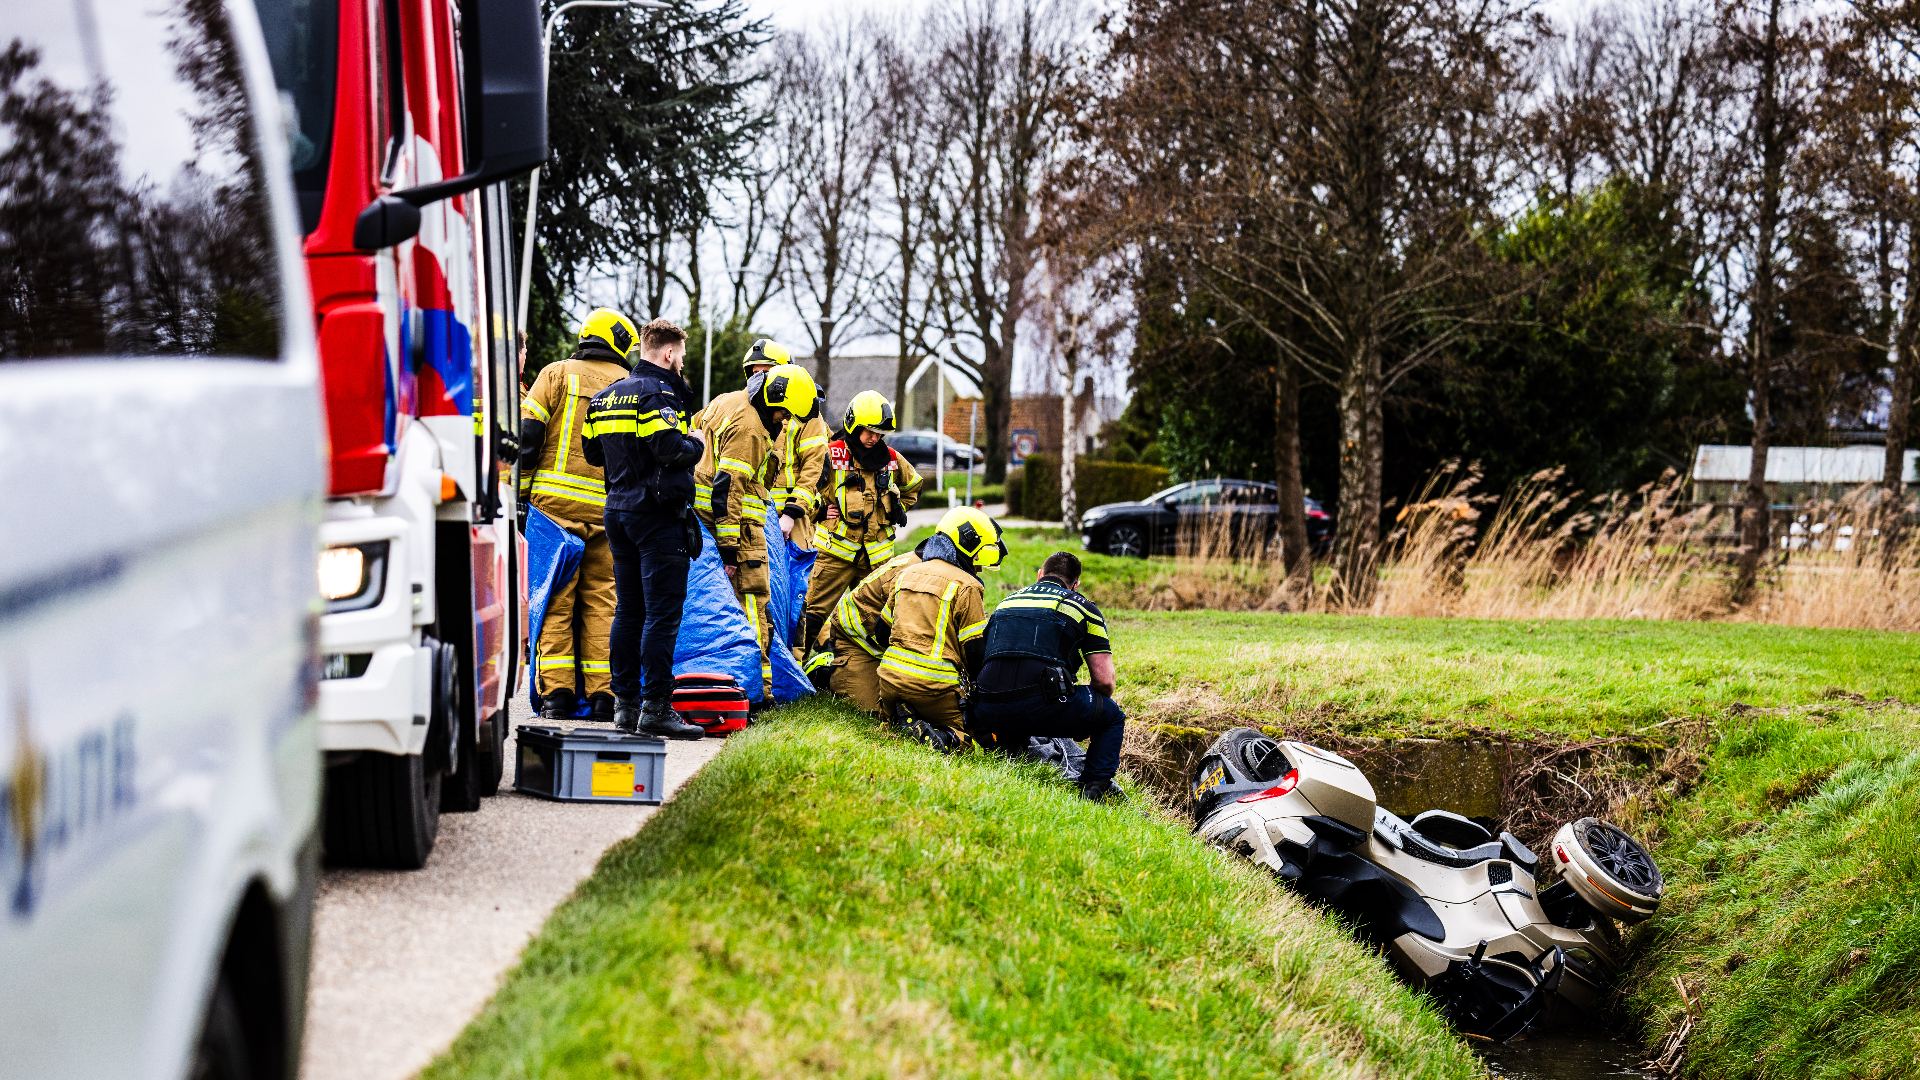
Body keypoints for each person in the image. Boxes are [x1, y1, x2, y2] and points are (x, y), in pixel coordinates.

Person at [580, 318, 709, 739]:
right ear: (668, 353)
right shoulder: (657, 394)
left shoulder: (602, 400)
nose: (682, 364)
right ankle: (656, 707)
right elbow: (671, 450)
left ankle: (625, 706)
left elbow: (593, 452)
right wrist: (698, 443)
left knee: (628, 612)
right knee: (661, 615)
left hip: (617, 512)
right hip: (656, 516)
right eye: (682, 356)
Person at [518, 308, 635, 722]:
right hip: (610, 513)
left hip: (554, 513)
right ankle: (605, 697)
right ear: (621, 345)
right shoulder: (629, 386)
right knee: (605, 602)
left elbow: (528, 438)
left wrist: (522, 494)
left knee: (555, 602)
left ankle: (558, 697)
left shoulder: (555, 374)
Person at [691, 358, 819, 698]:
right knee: (754, 607)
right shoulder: (752, 428)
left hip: (702, 521)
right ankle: (755, 693)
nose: (787, 421)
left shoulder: (726, 401)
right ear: (774, 401)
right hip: (739, 528)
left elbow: (692, 433)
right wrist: (731, 548)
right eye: (786, 414)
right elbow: (729, 486)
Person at [970, 551, 1126, 801]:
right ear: (1075, 585)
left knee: (1015, 694)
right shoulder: (1083, 606)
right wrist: (1085, 707)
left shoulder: (1006, 602)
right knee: (1111, 716)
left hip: (986, 710)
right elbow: (1104, 681)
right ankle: (1093, 790)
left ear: (1040, 575)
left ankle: (1011, 756)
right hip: (1040, 707)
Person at [800, 390, 923, 647]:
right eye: (868, 431)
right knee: (810, 616)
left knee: (880, 619)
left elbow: (913, 486)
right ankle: (795, 670)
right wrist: (819, 512)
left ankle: (865, 669)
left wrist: (897, 508)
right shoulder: (831, 455)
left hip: (876, 561)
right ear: (853, 425)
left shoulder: (890, 459)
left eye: (879, 433)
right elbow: (802, 490)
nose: (874, 438)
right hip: (834, 556)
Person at [875, 507, 1004, 742]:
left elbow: (881, 633)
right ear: (967, 546)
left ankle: (907, 717)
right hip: (934, 688)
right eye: (979, 560)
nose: (979, 569)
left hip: (889, 681)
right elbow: (975, 654)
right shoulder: (967, 585)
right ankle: (944, 738)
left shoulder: (907, 574)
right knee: (983, 741)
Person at [803, 541, 926, 713]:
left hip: (874, 553)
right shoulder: (912, 576)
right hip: (837, 548)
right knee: (868, 709)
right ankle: (818, 670)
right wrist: (820, 511)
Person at [740, 339, 830, 554]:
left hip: (791, 518)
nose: (759, 379)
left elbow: (814, 468)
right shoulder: (745, 408)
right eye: (754, 373)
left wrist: (791, 513)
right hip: (752, 514)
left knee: (792, 584)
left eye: (766, 372)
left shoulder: (805, 410)